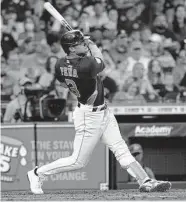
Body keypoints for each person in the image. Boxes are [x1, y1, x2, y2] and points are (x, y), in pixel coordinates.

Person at [27, 29, 171, 194]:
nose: (83, 44)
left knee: (120, 148)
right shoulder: (86, 64)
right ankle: (38, 173)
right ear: (71, 49)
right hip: (89, 116)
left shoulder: (60, 64)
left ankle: (145, 181)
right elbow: (101, 62)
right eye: (79, 43)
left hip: (101, 111)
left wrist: (81, 43)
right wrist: (92, 44)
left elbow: (63, 82)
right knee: (78, 161)